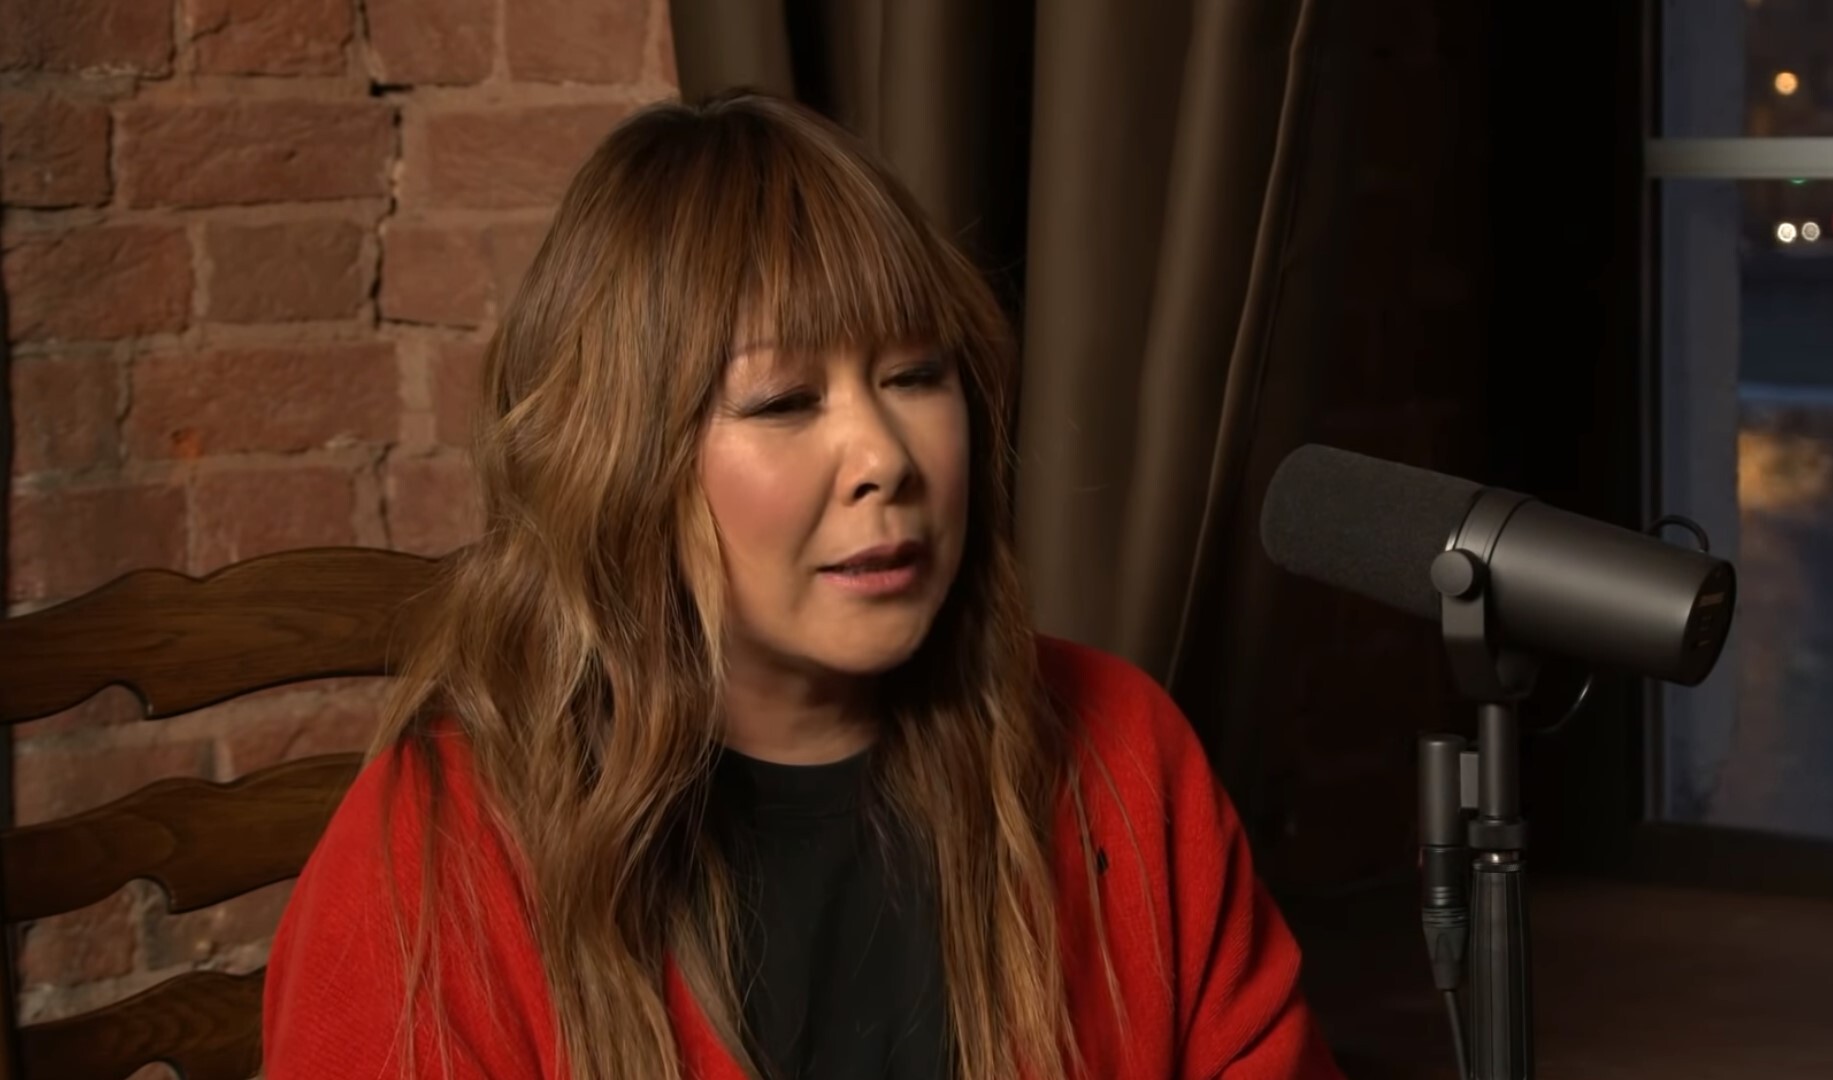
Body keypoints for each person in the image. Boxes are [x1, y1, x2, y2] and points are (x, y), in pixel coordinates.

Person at [261, 89, 1346, 1080]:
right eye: (784, 401)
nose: (885, 457)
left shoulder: (1122, 754)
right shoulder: (433, 857)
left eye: (916, 375)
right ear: (619, 462)